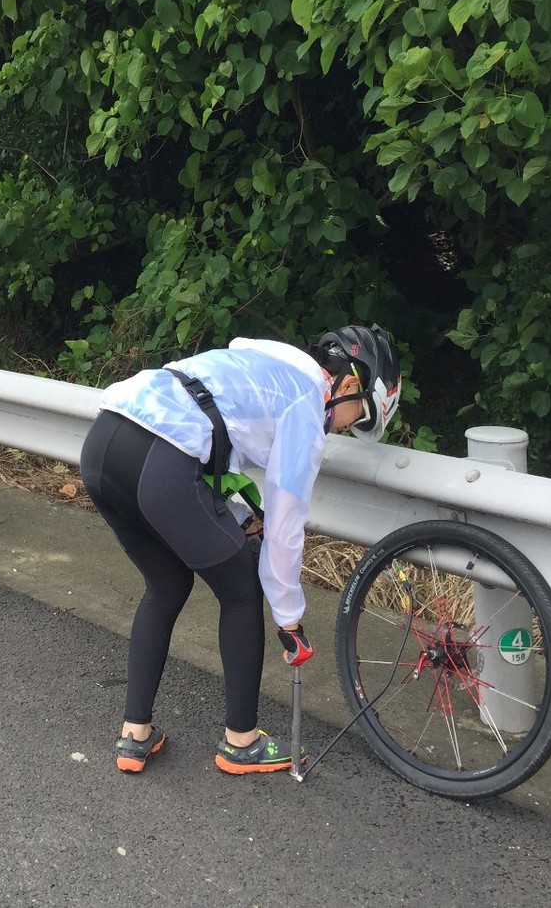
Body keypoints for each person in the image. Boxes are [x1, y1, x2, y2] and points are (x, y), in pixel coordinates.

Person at [79, 325, 401, 774]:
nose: (348, 429)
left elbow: (214, 440)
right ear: (349, 385)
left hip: (102, 448)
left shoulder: (268, 365)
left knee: (166, 586)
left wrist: (236, 517)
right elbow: (286, 523)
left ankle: (135, 736)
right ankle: (241, 742)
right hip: (162, 463)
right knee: (241, 590)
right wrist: (289, 618)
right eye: (359, 418)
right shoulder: (305, 404)